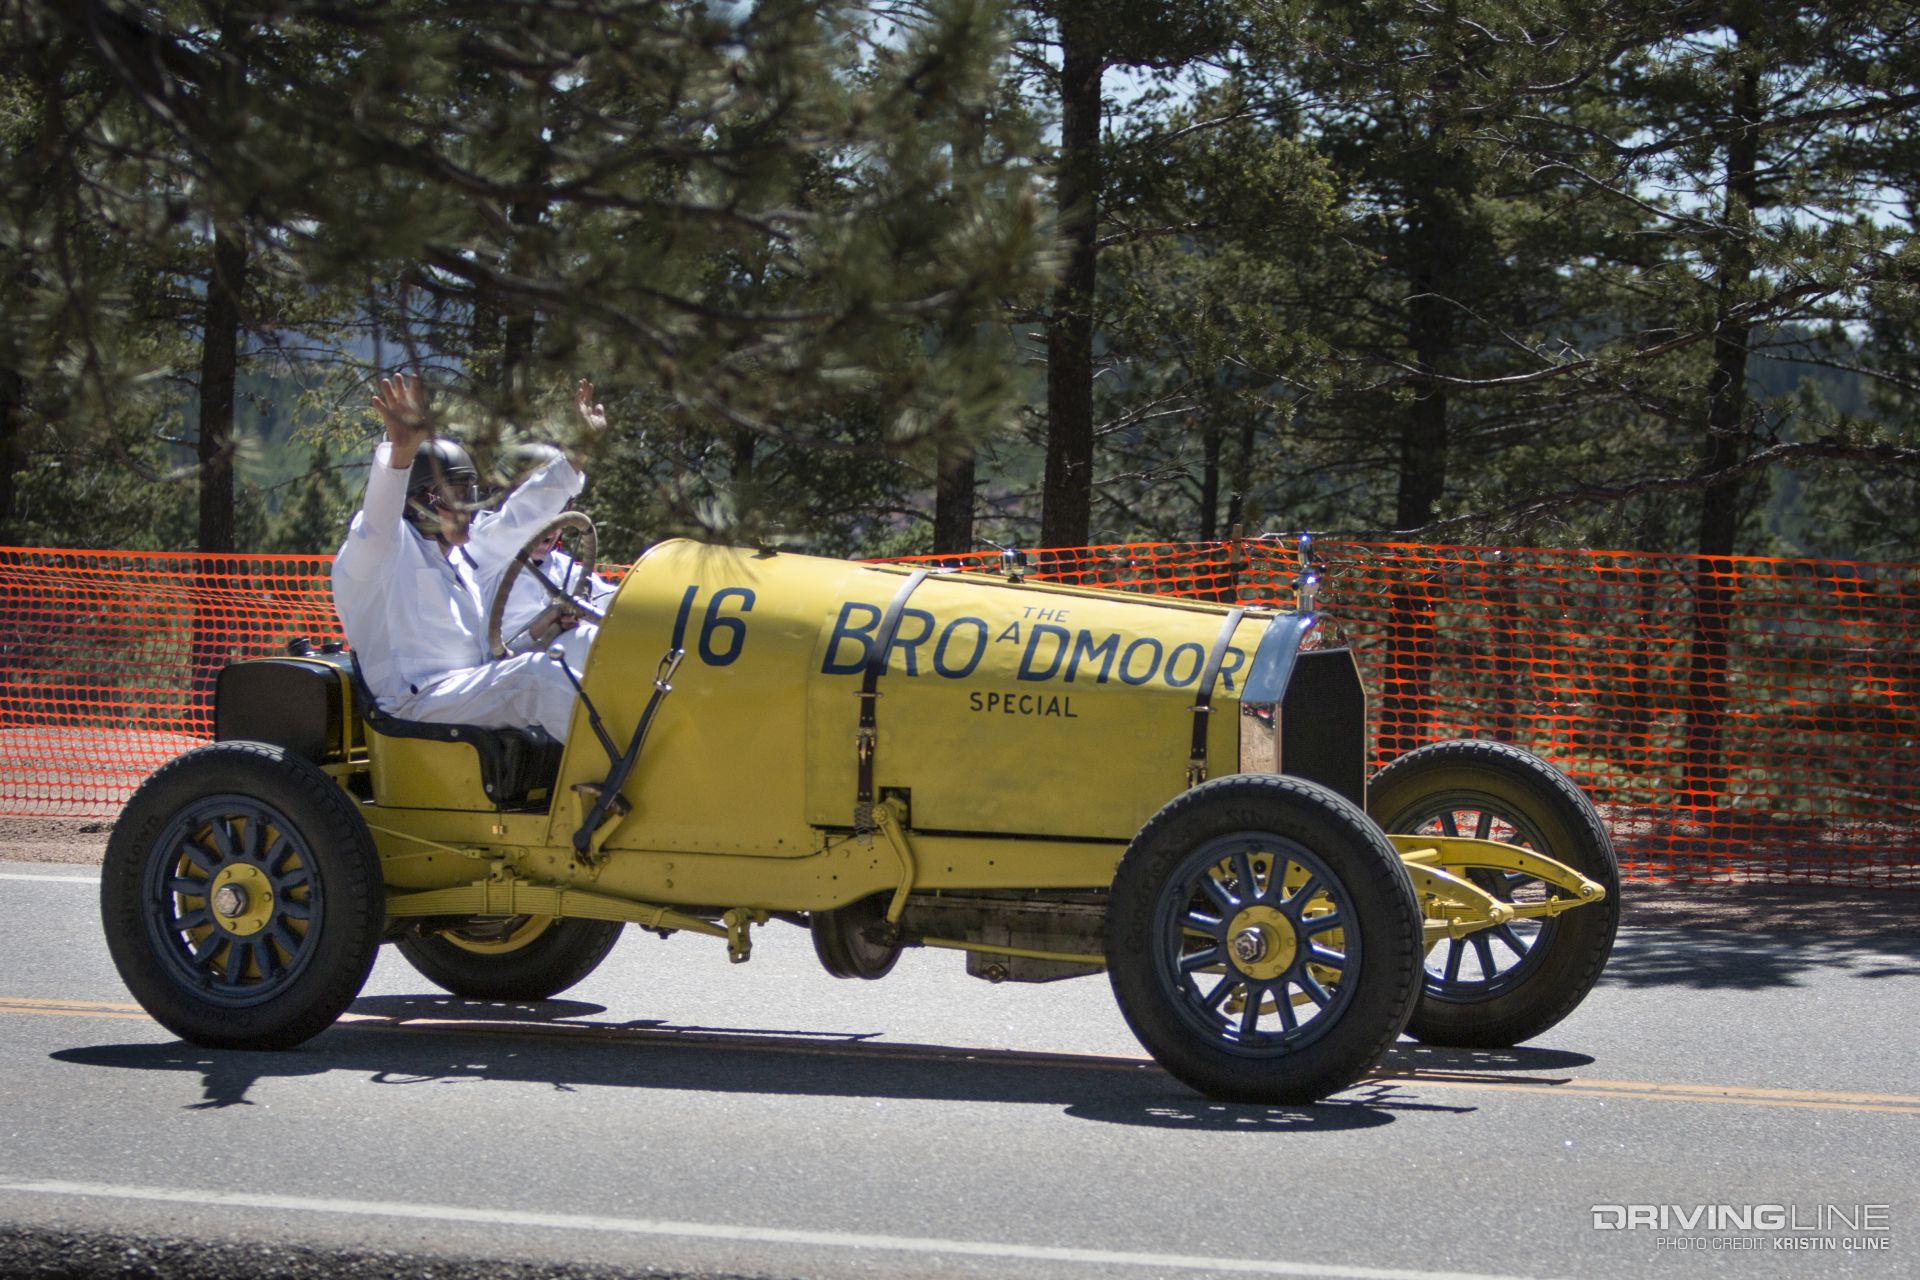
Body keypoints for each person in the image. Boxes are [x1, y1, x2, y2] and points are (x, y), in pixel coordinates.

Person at [331, 372, 606, 743]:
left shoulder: (465, 555)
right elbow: (377, 522)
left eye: (471, 493)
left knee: (591, 643)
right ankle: (622, 782)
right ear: (416, 500)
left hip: (467, 690)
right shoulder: (380, 555)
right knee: (537, 680)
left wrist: (576, 455)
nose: (468, 509)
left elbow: (520, 518)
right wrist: (401, 455)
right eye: (453, 495)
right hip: (415, 704)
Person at [480, 443, 618, 665]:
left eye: (561, 511)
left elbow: (616, 603)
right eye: (544, 513)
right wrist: (541, 627)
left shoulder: (565, 570)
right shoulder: (483, 554)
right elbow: (489, 659)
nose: (551, 527)